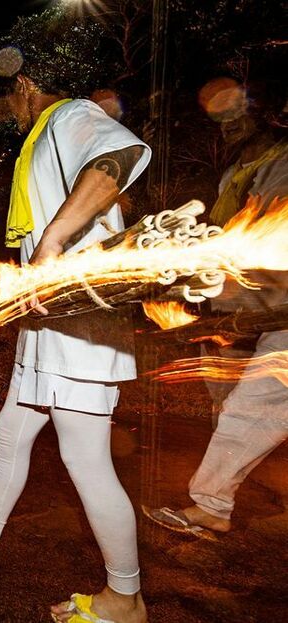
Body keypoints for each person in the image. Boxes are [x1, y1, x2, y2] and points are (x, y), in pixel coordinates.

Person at [0, 50, 151, 623]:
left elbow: (120, 154)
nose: (11, 107)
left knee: (85, 456)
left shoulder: (68, 116)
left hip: (80, 322)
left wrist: (51, 240)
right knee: (11, 426)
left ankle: (126, 597)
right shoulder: (45, 135)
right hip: (49, 319)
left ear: (27, 83)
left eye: (12, 94)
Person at [144, 83, 287, 539]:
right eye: (219, 120)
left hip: (277, 313)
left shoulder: (282, 166)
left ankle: (211, 505)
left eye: (236, 115)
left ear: (261, 113)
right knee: (228, 405)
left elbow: (261, 244)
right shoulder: (233, 176)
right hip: (240, 312)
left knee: (250, 410)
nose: (228, 127)